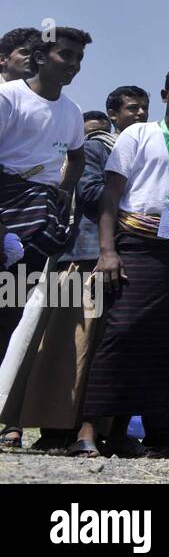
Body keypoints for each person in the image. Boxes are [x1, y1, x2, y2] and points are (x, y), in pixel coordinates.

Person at [75, 65, 169, 458]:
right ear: (164, 94)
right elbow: (110, 196)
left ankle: (127, 433)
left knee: (160, 341)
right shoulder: (137, 134)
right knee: (121, 333)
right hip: (134, 243)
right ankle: (88, 429)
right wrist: (108, 251)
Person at [2, 85, 150, 453]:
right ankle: (49, 428)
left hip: (122, 256)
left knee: (105, 349)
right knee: (62, 346)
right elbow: (86, 193)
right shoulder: (99, 147)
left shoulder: (142, 150)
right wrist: (132, 204)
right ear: (113, 114)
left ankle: (97, 430)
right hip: (80, 257)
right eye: (132, 109)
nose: (140, 115)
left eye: (145, 109)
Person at [0, 28, 90, 449]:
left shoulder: (71, 113)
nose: (72, 64)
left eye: (78, 58)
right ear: (40, 55)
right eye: (64, 55)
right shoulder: (10, 98)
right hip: (4, 208)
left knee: (8, 314)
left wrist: (60, 195)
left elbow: (76, 156)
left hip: (35, 224)